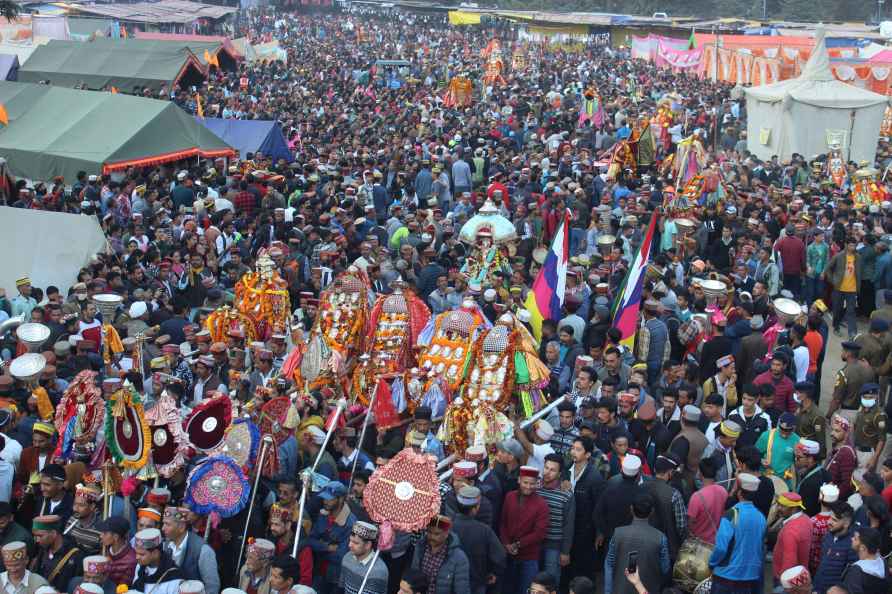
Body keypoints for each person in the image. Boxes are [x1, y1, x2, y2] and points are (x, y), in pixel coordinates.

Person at [708, 473, 767, 594]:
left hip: (726, 577)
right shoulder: (761, 517)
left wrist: (711, 563)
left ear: (739, 493)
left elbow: (721, 548)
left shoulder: (731, 514)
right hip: (749, 579)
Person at [604, 492, 669, 594]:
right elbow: (665, 568)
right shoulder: (660, 538)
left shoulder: (618, 533)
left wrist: (608, 591)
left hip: (620, 590)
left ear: (631, 509)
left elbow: (609, 565)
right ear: (652, 512)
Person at [499, 466, 548, 594]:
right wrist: (506, 544)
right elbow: (503, 522)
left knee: (526, 589)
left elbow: (539, 533)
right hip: (508, 554)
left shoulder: (541, 504)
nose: (528, 486)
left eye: (532, 483)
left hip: (529, 557)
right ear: (519, 480)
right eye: (525, 482)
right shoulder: (509, 497)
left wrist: (518, 544)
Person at [450, 486, 505, 594]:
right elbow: (500, 556)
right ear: (475, 508)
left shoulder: (447, 526)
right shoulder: (484, 530)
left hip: (449, 583)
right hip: (476, 584)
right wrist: (494, 572)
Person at [161, 507, 219, 594]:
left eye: (167, 524)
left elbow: (212, 587)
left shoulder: (203, 550)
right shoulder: (165, 545)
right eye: (163, 524)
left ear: (181, 527)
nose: (162, 528)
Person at [537, 454, 574, 585]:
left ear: (559, 474)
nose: (547, 472)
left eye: (552, 470)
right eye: (546, 468)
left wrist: (565, 552)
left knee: (550, 580)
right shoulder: (534, 486)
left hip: (554, 544)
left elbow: (569, 525)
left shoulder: (566, 493)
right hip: (534, 542)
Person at [410, 516, 470, 594]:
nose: (432, 537)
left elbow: (462, 590)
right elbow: (414, 575)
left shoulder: (459, 558)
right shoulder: (420, 547)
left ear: (446, 534)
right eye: (429, 532)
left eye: (436, 534)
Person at [814, 501, 859, 593]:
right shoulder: (828, 536)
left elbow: (850, 577)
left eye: (834, 520)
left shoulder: (853, 545)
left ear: (846, 524)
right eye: (830, 517)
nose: (829, 522)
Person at [31, 515, 81, 593]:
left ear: (53, 533)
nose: (37, 540)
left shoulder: (75, 555)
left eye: (40, 536)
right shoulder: (43, 548)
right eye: (35, 536)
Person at [772, 493, 814, 585]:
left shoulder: (790, 531)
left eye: (783, 506)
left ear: (793, 508)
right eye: (778, 505)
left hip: (785, 579)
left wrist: (784, 582)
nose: (778, 508)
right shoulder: (806, 519)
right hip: (800, 575)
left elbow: (789, 561)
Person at [687, 457, 728, 544]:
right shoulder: (723, 492)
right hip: (716, 543)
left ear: (700, 474)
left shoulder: (696, 497)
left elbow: (690, 523)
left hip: (699, 544)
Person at [338, 522, 387, 594]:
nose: (349, 545)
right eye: (350, 540)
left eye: (355, 543)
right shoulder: (347, 557)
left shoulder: (378, 571)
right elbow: (342, 587)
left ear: (368, 545)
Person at [132, 528, 183, 594]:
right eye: (136, 553)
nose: (137, 557)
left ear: (155, 553)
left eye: (142, 554)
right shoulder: (140, 567)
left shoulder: (174, 578)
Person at [852, 383, 886, 479]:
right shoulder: (861, 410)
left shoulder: (879, 415)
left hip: (867, 453)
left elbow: (882, 439)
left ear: (875, 397)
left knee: (862, 480)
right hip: (856, 449)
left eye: (870, 397)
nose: (867, 400)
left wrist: (874, 458)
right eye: (865, 397)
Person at [841, 526, 890, 593]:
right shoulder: (883, 562)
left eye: (855, 539)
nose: (852, 539)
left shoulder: (856, 571)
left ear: (862, 548)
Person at [94, 516, 136, 587]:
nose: (101, 536)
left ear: (116, 537)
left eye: (105, 533)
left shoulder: (130, 562)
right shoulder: (105, 550)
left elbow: (122, 589)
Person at [794, 439, 830, 516]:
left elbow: (805, 511)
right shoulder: (824, 472)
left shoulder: (810, 483)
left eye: (798, 458)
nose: (795, 460)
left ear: (810, 459)